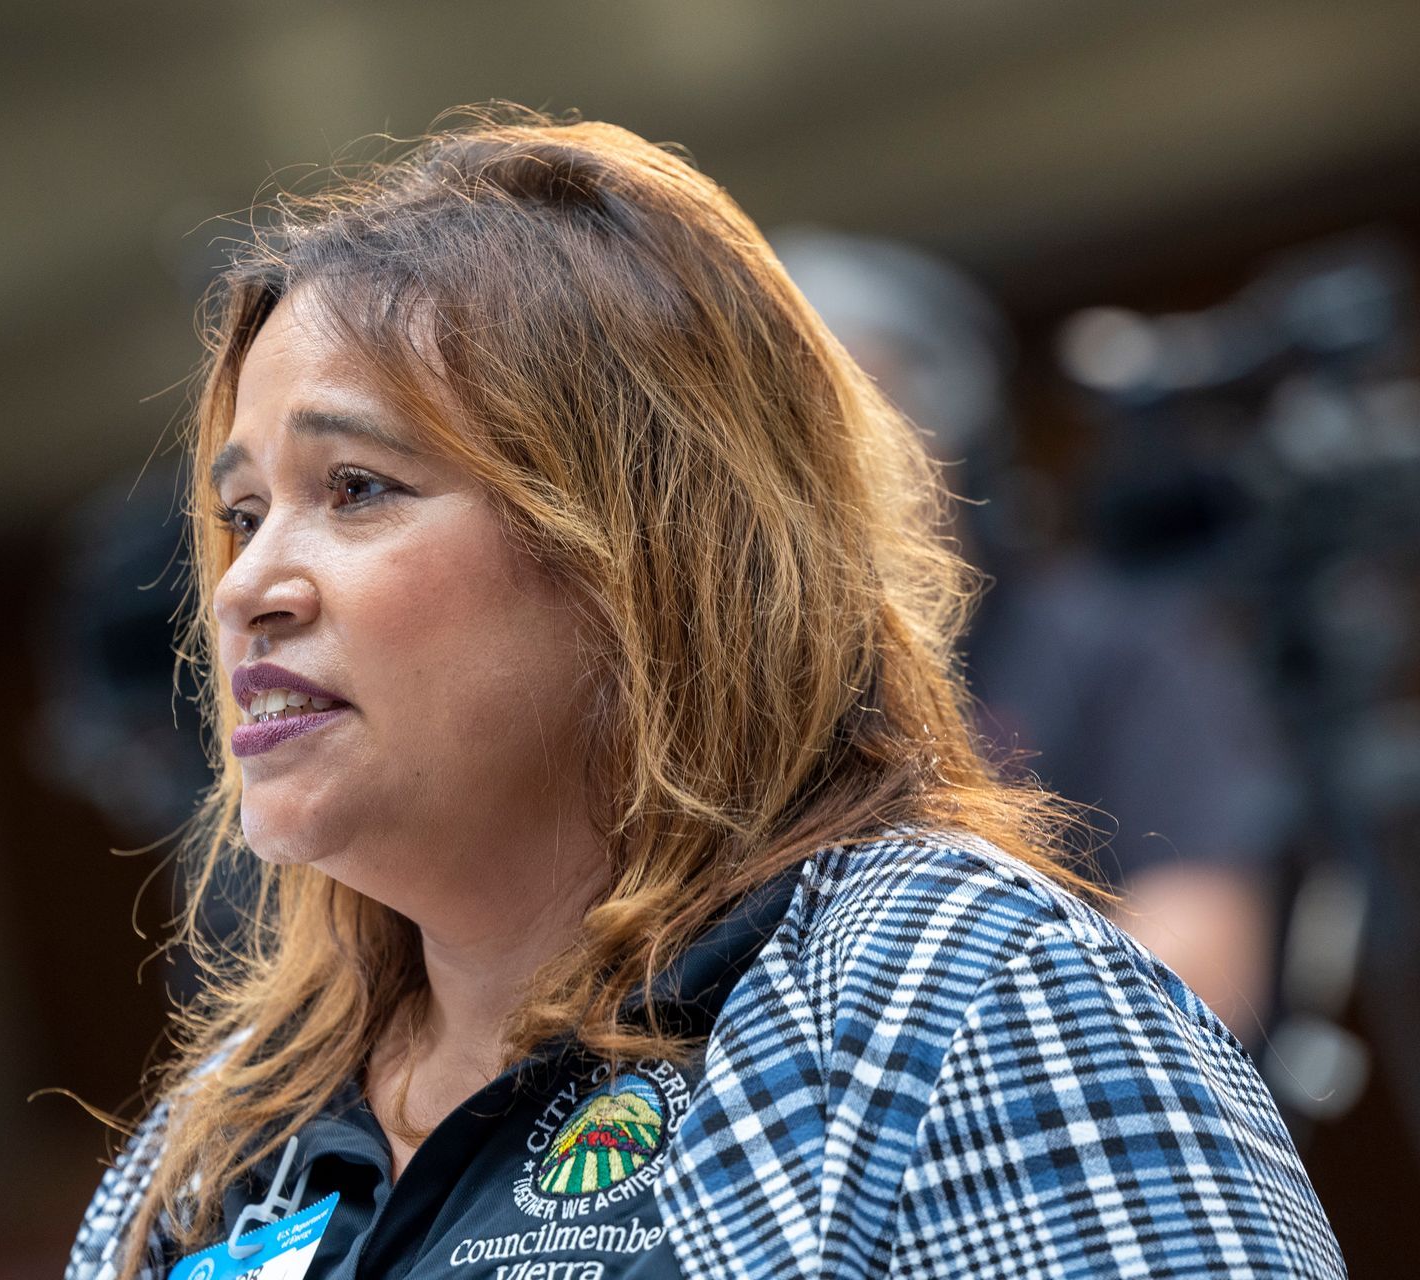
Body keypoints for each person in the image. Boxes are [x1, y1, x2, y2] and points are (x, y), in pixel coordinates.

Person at [68, 107, 1342, 1279]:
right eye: (243, 513)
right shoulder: (210, 1148)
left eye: (356, 488)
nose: (248, 586)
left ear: (640, 552)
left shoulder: (964, 999)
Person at [766, 227, 1295, 1046]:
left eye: (848, 413)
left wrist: (947, 1069)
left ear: (951, 432)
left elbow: (1202, 958)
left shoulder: (1114, 645)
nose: (815, 465)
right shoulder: (765, 702)